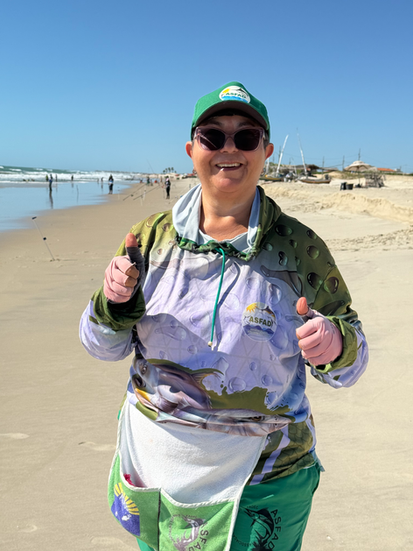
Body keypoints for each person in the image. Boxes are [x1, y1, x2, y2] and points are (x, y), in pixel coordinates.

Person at [80, 81, 368, 551]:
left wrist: (334, 345)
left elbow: (351, 367)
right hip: (154, 469)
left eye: (246, 137)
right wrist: (111, 304)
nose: (229, 148)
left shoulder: (302, 249)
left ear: (266, 151)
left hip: (266, 478)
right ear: (192, 150)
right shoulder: (148, 239)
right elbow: (100, 346)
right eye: (213, 136)